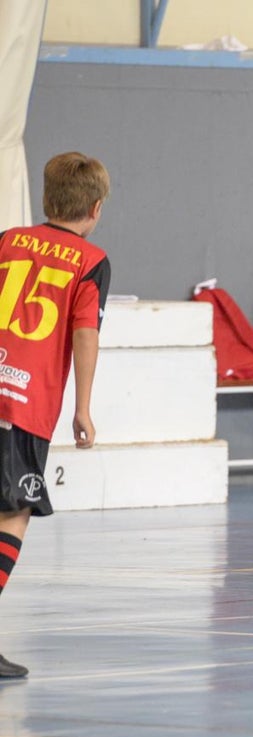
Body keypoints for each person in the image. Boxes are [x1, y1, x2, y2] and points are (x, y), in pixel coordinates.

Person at [0, 152, 112, 678]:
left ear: (46, 200)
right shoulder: (89, 261)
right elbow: (85, 332)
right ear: (95, 208)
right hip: (23, 405)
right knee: (12, 513)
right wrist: (83, 407)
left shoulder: (7, 241)